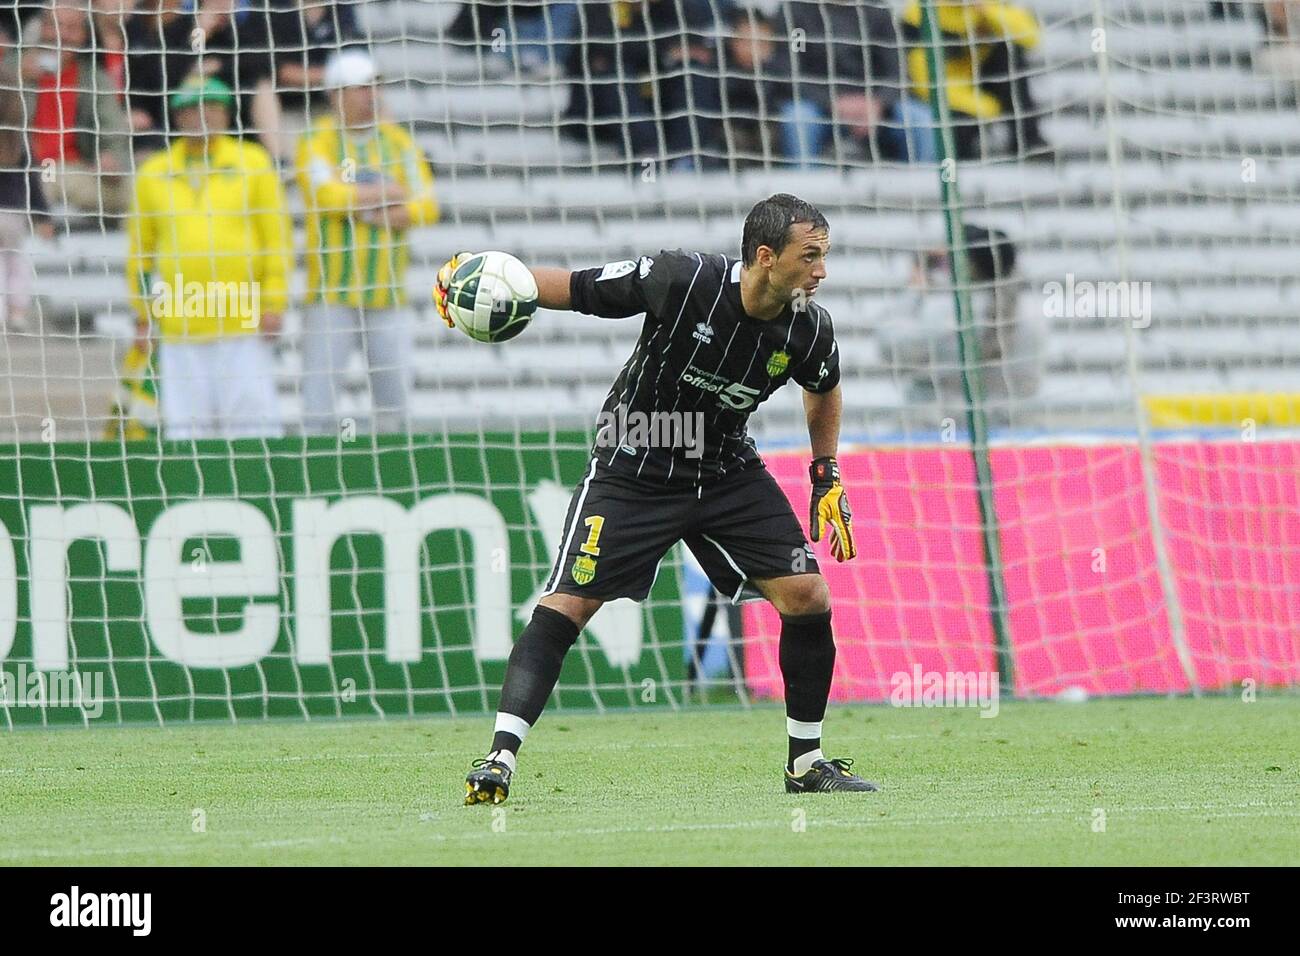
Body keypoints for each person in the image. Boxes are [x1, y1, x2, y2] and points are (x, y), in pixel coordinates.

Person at [435, 193, 876, 804]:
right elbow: (579, 288)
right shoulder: (681, 279)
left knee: (807, 595)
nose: (822, 271)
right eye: (811, 257)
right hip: (634, 461)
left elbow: (823, 388)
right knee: (569, 604)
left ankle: (806, 763)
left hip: (725, 467)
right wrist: (482, 276)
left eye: (824, 256)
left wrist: (825, 471)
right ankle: (498, 758)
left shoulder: (810, 326)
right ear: (767, 257)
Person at [126, 76, 291, 439]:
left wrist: (274, 301)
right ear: (178, 116)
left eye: (211, 107)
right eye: (192, 108)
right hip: (180, 323)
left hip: (241, 321)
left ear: (226, 114)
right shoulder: (154, 173)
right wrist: (143, 314)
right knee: (186, 429)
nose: (202, 116)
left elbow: (275, 239)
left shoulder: (253, 162)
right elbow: (141, 251)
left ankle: (258, 494)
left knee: (253, 426)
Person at [295, 50, 438, 436]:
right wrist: (387, 194)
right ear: (336, 94)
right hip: (330, 294)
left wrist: (363, 204)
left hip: (387, 293)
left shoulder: (398, 143)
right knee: (319, 402)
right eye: (361, 88)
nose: (371, 95)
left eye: (375, 86)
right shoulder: (316, 141)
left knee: (394, 402)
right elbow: (324, 196)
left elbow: (426, 206)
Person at [876, 223, 1041, 428]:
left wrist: (914, 288)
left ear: (967, 264)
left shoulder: (947, 312)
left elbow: (890, 346)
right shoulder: (1032, 313)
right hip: (1010, 430)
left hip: (938, 431)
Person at [776, 0, 935, 166]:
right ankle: (803, 186)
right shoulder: (796, 10)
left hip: (876, 109)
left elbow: (897, 70)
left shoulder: (876, 9)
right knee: (798, 118)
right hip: (818, 106)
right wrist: (832, 102)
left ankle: (920, 188)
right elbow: (788, 70)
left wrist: (876, 104)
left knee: (921, 120)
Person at [900, 0, 1051, 161]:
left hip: (978, 90)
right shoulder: (918, 13)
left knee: (1008, 53)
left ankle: (1029, 141)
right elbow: (924, 84)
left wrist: (987, 11)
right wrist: (983, 106)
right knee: (957, 128)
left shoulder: (987, 4)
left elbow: (1032, 37)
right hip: (941, 101)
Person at [19, 0, 131, 216]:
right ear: (42, 29)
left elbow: (113, 134)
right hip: (30, 171)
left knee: (138, 189)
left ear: (84, 36)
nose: (62, 35)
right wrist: (16, 81)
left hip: (79, 172)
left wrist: (112, 160)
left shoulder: (95, 79)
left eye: (71, 28)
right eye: (55, 25)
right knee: (46, 180)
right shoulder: (16, 71)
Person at [0, 60, 54, 335]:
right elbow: (34, 179)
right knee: (15, 263)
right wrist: (43, 216)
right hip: (12, 212)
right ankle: (17, 312)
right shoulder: (18, 140)